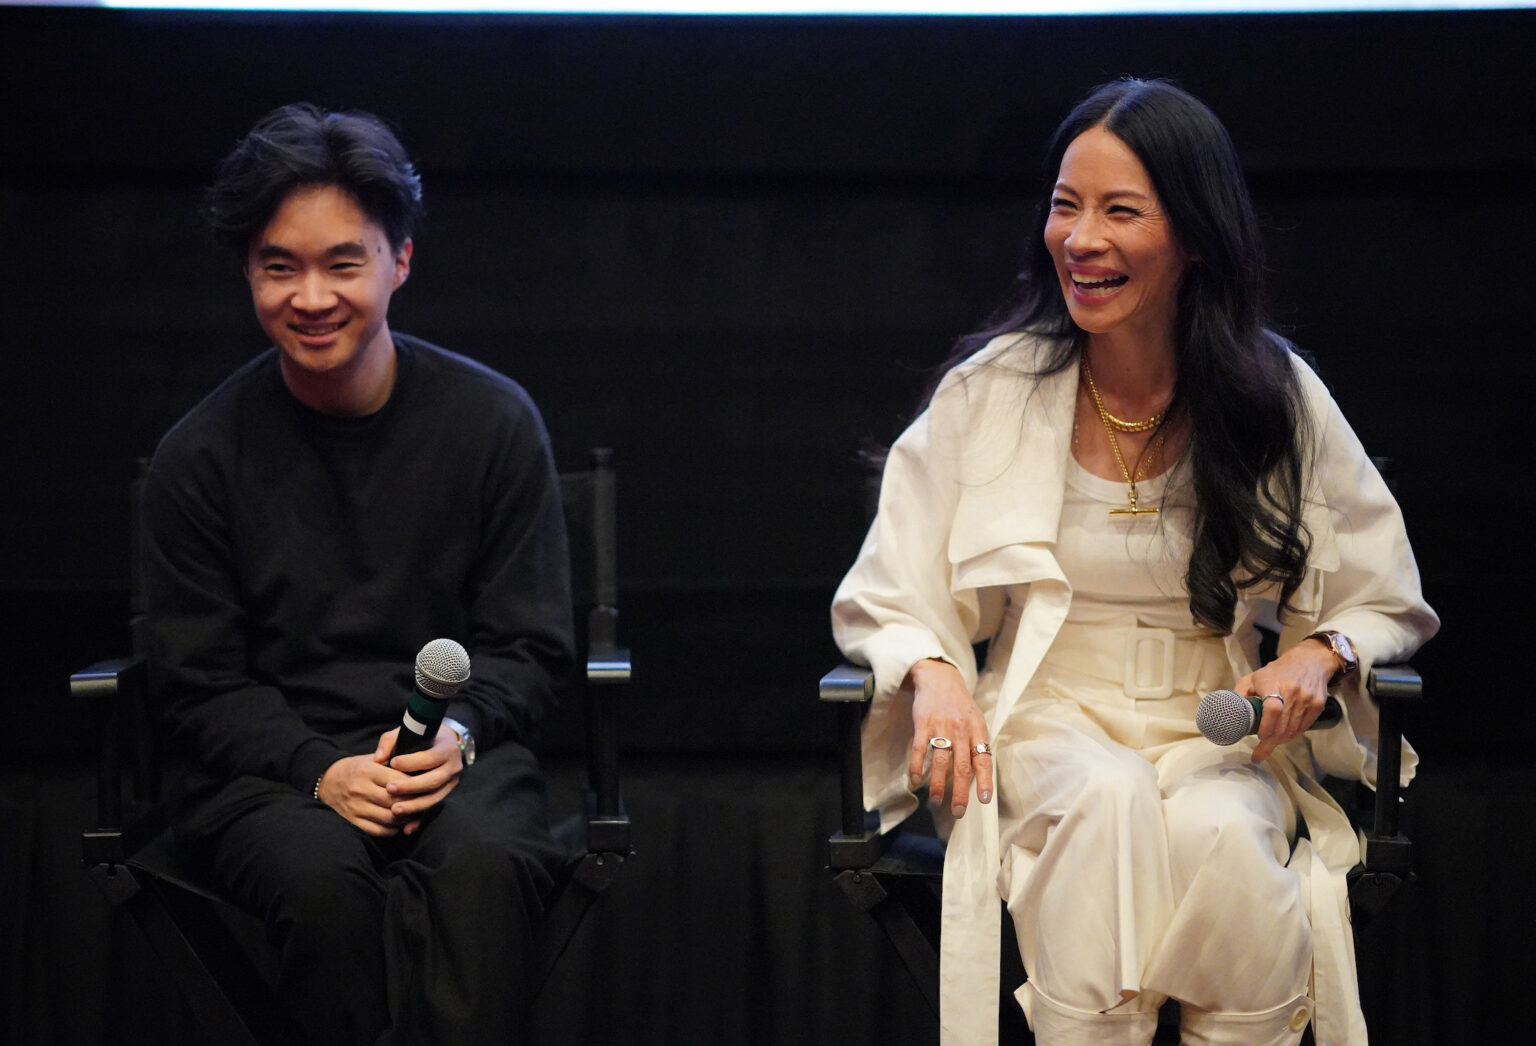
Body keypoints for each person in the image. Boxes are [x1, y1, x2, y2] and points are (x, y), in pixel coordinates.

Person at [831, 78, 1437, 1046]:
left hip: (1213, 726)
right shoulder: (990, 392)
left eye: (1120, 211)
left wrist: (1317, 654)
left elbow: (1381, 588)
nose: (1081, 239)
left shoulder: (1274, 396)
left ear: (1193, 235)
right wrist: (936, 670)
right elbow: (889, 584)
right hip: (1045, 718)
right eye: (1066, 207)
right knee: (1104, 811)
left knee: (1228, 847)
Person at [141, 103, 575, 1044]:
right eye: (278, 266)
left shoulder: (493, 423)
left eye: (344, 262)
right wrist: (318, 769)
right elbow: (198, 681)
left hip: (455, 756)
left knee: (484, 865)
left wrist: (457, 736)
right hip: (270, 774)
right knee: (322, 884)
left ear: (399, 261)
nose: (311, 296)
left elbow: (530, 645)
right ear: (248, 272)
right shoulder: (200, 456)